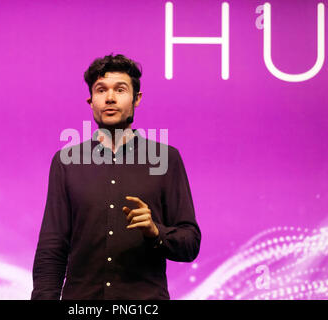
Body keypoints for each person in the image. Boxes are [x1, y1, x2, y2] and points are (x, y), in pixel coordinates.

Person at [31, 54, 201, 300]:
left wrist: (156, 231)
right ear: (91, 101)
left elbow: (190, 243)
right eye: (101, 90)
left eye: (120, 89)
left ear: (136, 99)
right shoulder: (65, 162)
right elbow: (52, 247)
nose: (110, 97)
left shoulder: (166, 159)